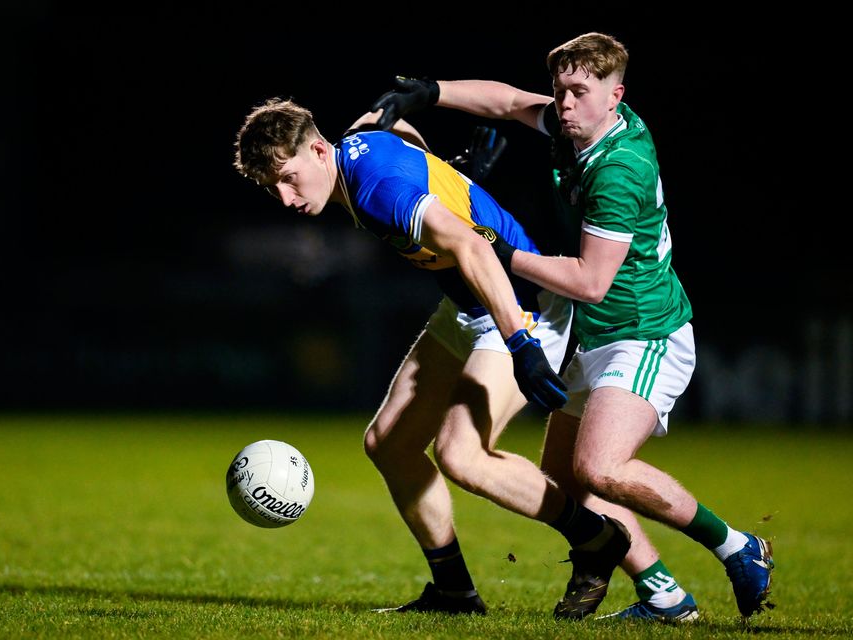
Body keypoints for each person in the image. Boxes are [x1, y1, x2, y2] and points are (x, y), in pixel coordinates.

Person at [372, 32, 774, 623]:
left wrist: (499, 252)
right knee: (567, 476)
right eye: (560, 90)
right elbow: (510, 102)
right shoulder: (580, 125)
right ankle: (665, 596)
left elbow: (590, 281)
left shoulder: (619, 169)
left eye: (578, 92)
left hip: (643, 331)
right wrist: (433, 93)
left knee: (600, 468)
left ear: (616, 96)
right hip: (595, 334)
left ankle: (737, 545)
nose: (563, 103)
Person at [233, 99, 632, 616]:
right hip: (466, 301)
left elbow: (473, 248)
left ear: (318, 150)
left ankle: (597, 537)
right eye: (272, 189)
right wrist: (448, 172)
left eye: (288, 179)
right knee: (389, 442)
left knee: (461, 455)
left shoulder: (377, 189)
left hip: (518, 303)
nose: (286, 198)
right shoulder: (353, 146)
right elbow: (389, 122)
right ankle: (454, 593)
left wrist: (521, 344)